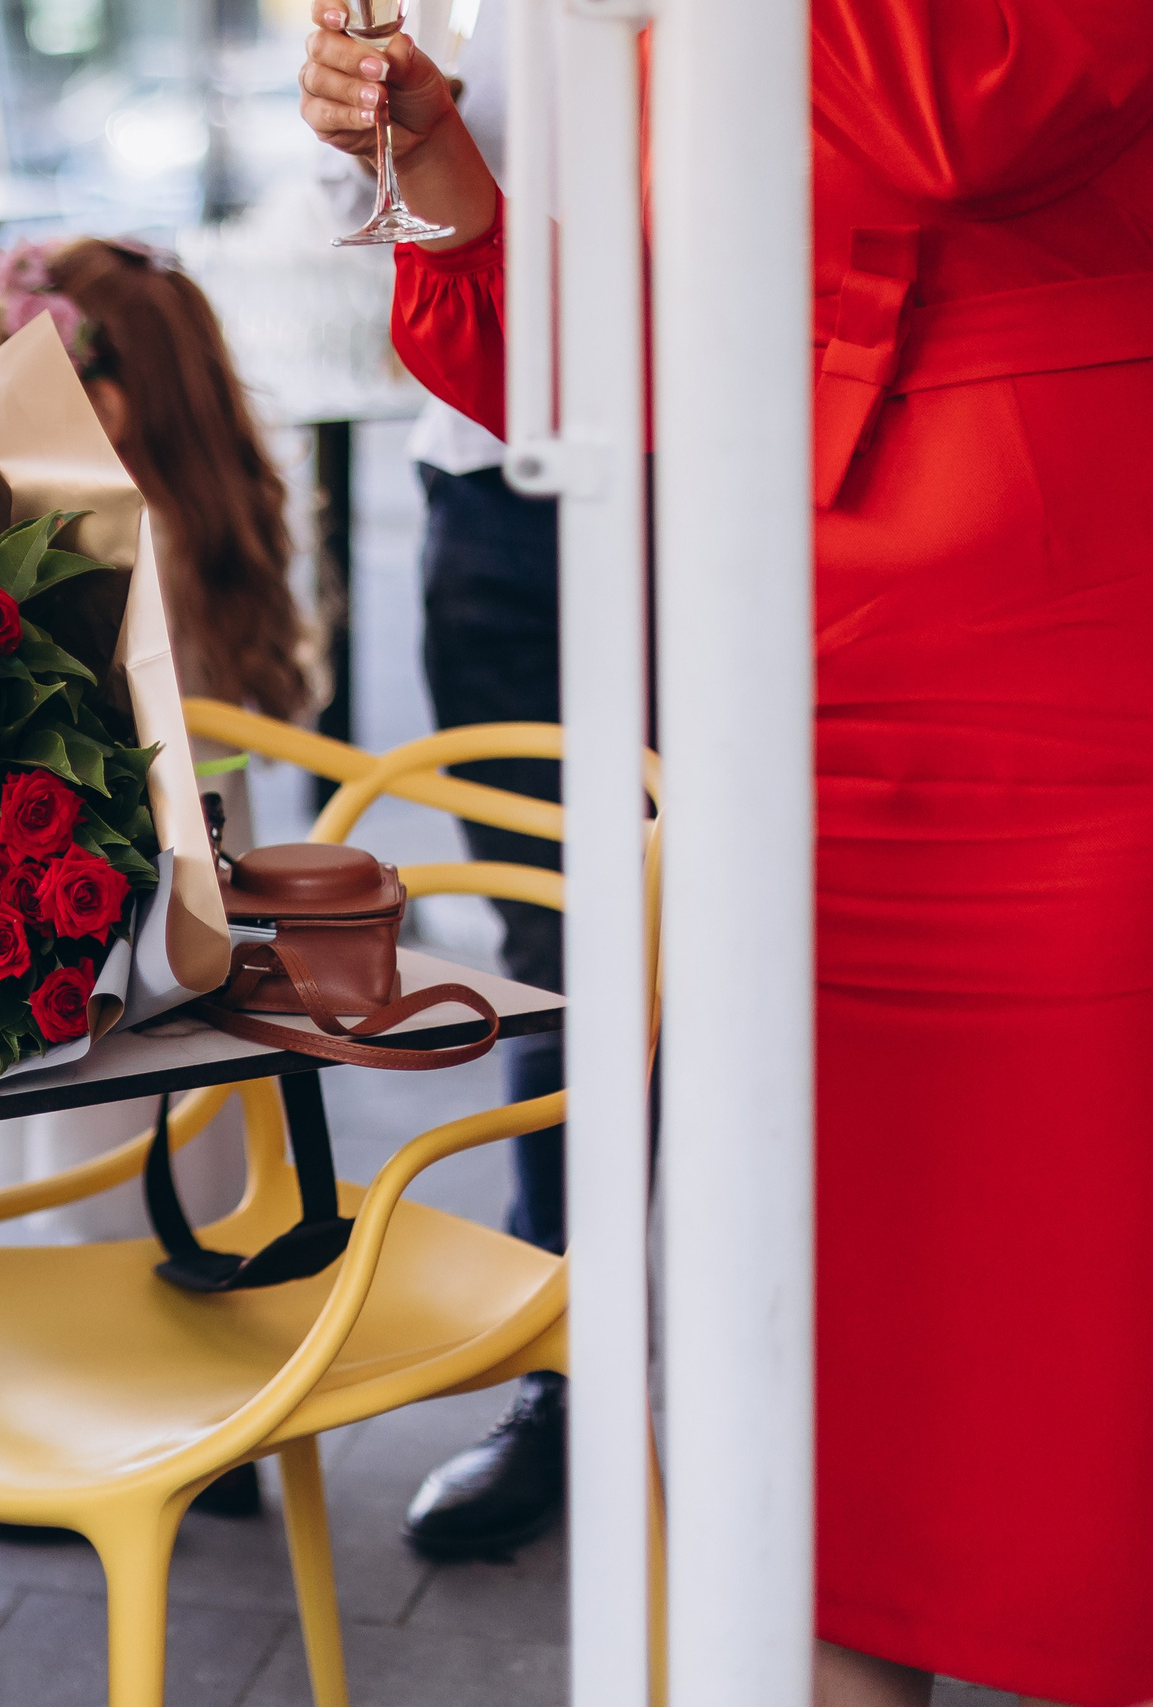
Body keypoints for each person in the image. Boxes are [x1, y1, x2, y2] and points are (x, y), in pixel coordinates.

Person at [301, 5, 1153, 1704]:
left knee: (1091, 1359)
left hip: (1080, 688)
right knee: (818, 1399)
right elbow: (580, 377)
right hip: (802, 687)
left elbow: (959, 115)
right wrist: (451, 178)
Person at [0, 240, 323, 1259]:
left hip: (107, 908)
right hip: (209, 891)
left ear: (102, 407)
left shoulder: (86, 541)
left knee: (68, 1167)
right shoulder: (205, 517)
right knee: (184, 1164)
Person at [380, 0, 573, 1565]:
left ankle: (828, 1379)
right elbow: (361, 218)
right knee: (553, 948)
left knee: (801, 936)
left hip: (735, 445)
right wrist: (383, 134)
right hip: (491, 482)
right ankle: (562, 1374)